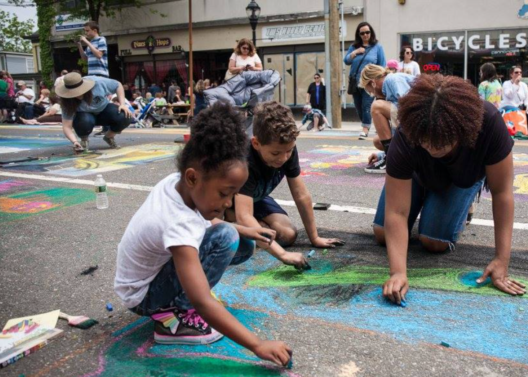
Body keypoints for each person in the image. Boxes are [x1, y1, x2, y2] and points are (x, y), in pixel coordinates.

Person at [114, 103, 293, 366]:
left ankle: (175, 302)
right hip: (144, 298)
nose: (228, 203)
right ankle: (173, 319)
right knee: (225, 238)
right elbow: (202, 300)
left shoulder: (177, 186)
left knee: (238, 239)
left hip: (145, 280)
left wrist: (247, 229)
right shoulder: (178, 223)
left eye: (233, 194)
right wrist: (258, 344)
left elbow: (204, 224)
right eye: (224, 193)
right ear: (192, 178)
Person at [373, 74, 525, 305]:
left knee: (434, 242)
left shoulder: (489, 122)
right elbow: (396, 212)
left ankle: (463, 202)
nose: (433, 149)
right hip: (417, 175)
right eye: (425, 143)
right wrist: (398, 272)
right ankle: (426, 193)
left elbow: (502, 193)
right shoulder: (407, 133)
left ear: (463, 131)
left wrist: (501, 259)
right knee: (383, 233)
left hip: (461, 178)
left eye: (441, 144)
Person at [225, 101, 344, 270]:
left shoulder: (286, 150)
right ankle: (231, 220)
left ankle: (253, 228)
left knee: (288, 235)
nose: (283, 158)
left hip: (257, 198)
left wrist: (315, 238)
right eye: (275, 153)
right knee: (247, 236)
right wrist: (282, 254)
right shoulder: (246, 160)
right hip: (230, 202)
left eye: (289, 151)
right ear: (256, 143)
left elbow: (301, 195)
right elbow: (244, 215)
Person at [56, 72, 132, 152]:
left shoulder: (98, 83)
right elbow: (67, 126)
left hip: (103, 110)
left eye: (79, 91)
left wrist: (122, 104)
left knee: (125, 115)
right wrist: (74, 141)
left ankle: (109, 137)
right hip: (85, 117)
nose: (77, 95)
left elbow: (118, 85)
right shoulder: (67, 102)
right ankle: (84, 141)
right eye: (73, 93)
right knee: (84, 120)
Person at [359, 64, 415, 174]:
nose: (371, 94)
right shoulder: (390, 84)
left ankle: (392, 161)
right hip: (416, 123)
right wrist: (382, 155)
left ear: (372, 83)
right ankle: (391, 156)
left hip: (423, 124)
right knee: (378, 141)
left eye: (368, 90)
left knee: (377, 106)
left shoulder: (392, 80)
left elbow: (410, 110)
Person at [344, 21, 386, 139]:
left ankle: (365, 129)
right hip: (355, 81)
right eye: (362, 33)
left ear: (371, 33)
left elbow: (382, 65)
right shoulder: (354, 47)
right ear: (359, 34)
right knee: (358, 106)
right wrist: (355, 52)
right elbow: (346, 61)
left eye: (367, 32)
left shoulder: (377, 47)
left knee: (366, 105)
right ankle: (369, 124)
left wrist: (378, 81)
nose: (365, 35)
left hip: (369, 82)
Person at [501, 65, 528, 135]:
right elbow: (509, 95)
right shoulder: (506, 83)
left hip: (520, 107)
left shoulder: (523, 85)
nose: (519, 74)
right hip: (509, 107)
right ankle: (517, 132)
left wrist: (527, 106)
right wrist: (515, 84)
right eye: (516, 72)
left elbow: (527, 99)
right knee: (516, 110)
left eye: (520, 72)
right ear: (511, 74)